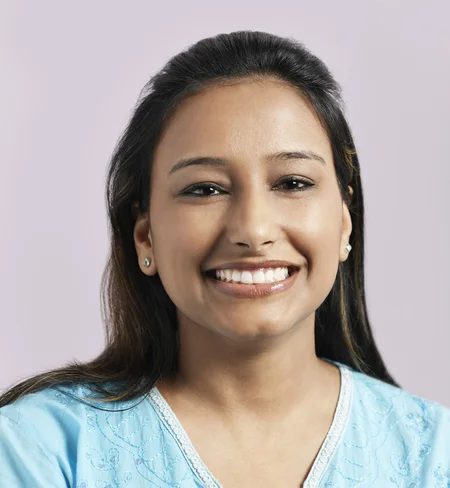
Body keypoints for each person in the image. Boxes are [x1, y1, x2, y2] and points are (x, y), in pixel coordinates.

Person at [0, 30, 449, 487]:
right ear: (145, 237)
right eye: (205, 189)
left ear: (344, 223)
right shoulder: (40, 450)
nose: (253, 231)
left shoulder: (434, 455)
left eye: (292, 183)